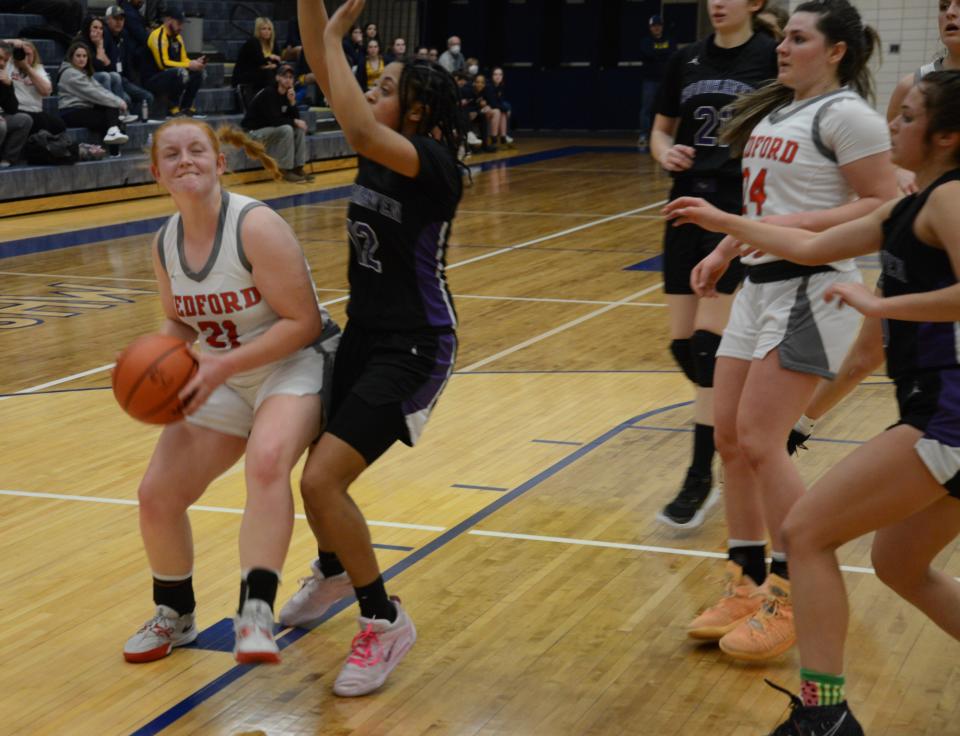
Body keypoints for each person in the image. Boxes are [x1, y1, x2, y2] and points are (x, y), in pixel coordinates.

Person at [668, 67, 960, 736]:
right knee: (900, 566)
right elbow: (809, 243)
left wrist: (882, 303)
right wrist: (725, 227)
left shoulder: (951, 199)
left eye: (908, 116)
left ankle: (825, 719)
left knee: (804, 532)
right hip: (936, 415)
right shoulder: (908, 208)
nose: (893, 125)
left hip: (947, 419)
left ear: (946, 136)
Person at [667, 0, 900, 663]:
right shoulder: (775, 111)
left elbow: (884, 204)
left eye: (799, 38)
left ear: (835, 52)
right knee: (733, 441)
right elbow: (766, 203)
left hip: (813, 289)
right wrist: (725, 249)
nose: (783, 46)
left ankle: (793, 590)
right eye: (786, 36)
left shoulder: (847, 116)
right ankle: (744, 580)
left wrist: (786, 231)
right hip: (760, 287)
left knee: (767, 442)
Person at [287, 0, 466, 697]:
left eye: (387, 88)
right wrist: (316, 15)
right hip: (364, 333)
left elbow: (355, 119)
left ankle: (385, 619)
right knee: (316, 466)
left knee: (321, 480)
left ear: (416, 113)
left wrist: (336, 38)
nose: (370, 95)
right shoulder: (379, 137)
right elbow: (319, 67)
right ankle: (334, 568)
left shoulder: (434, 164)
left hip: (417, 345)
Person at [121, 116, 340, 665]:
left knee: (267, 462)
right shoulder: (165, 240)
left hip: (295, 364)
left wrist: (218, 367)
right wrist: (152, 361)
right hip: (225, 371)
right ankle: (175, 613)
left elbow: (303, 321)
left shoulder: (254, 226)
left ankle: (255, 613)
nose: (185, 160)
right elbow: (180, 322)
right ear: (156, 173)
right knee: (157, 494)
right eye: (172, 154)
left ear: (220, 163)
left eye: (198, 150)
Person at [786, 0, 960, 455]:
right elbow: (889, 152)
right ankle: (799, 427)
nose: (950, 14)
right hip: (920, 236)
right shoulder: (916, 83)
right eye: (944, 6)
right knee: (869, 349)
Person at [650, 0, 779, 532]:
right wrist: (663, 152)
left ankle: (700, 476)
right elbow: (661, 129)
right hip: (684, 207)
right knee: (685, 345)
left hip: (733, 210)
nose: (717, 2)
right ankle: (740, 405)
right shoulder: (685, 58)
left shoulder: (772, 57)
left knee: (707, 345)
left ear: (756, 3)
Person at [241, 62, 313, 183]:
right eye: (285, 76)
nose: (288, 80)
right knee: (287, 129)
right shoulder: (269, 93)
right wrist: (295, 121)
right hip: (252, 134)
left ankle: (298, 168)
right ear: (277, 77)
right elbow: (274, 120)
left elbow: (294, 119)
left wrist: (292, 103)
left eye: (290, 77)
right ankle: (285, 170)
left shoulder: (288, 94)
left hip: (269, 131)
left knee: (298, 129)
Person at [57, 41, 130, 152]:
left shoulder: (83, 72)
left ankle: (113, 135)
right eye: (78, 56)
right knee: (111, 118)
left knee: (111, 112)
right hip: (71, 112)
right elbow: (93, 93)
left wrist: (116, 101)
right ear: (71, 57)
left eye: (84, 56)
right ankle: (114, 149)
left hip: (84, 109)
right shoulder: (70, 73)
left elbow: (100, 89)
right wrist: (118, 102)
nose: (82, 59)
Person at [144, 9, 206, 117]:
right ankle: (172, 107)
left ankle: (186, 107)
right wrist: (189, 65)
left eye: (182, 24)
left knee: (199, 73)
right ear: (168, 20)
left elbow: (184, 59)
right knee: (180, 72)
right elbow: (163, 64)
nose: (181, 28)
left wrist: (194, 63)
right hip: (153, 78)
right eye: (179, 23)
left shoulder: (178, 38)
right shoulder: (157, 36)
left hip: (171, 74)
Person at [103, 5, 154, 120]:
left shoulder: (124, 36)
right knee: (126, 99)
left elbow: (127, 63)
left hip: (123, 79)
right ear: (107, 20)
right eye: (115, 18)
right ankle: (127, 122)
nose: (119, 22)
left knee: (148, 97)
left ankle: (137, 122)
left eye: (121, 19)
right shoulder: (104, 35)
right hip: (109, 80)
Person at [5, 39, 65, 135]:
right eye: (23, 53)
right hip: (17, 109)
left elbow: (46, 91)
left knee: (59, 125)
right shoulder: (8, 64)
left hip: (36, 110)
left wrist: (27, 68)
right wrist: (13, 41)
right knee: (41, 123)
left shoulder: (38, 69)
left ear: (34, 56)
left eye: (29, 54)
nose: (25, 57)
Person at [637, 15, 674, 152]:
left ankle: (666, 136)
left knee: (666, 109)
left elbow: (671, 55)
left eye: (659, 25)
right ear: (650, 27)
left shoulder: (669, 40)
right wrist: (661, 55)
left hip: (666, 80)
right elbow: (648, 54)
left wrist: (657, 55)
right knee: (646, 109)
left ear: (662, 27)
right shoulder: (645, 41)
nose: (657, 28)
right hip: (650, 81)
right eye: (654, 26)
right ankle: (644, 135)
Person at [234, 17, 282, 109]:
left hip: (262, 73)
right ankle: (270, 103)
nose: (267, 31)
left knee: (284, 73)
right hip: (245, 74)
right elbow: (258, 62)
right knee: (269, 74)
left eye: (269, 29)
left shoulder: (272, 43)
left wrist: (269, 64)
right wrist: (270, 58)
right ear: (258, 30)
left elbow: (278, 62)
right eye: (263, 29)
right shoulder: (253, 42)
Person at [0, 40, 30, 167]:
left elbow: (12, 109)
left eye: (6, 61)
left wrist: (8, 86)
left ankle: (7, 159)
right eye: (0, 58)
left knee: (24, 120)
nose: (2, 63)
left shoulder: (3, 76)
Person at [490, 66, 513, 147]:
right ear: (492, 76)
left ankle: (503, 137)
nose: (498, 77)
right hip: (485, 109)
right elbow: (493, 104)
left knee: (502, 111)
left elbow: (500, 102)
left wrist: (506, 109)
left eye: (500, 74)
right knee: (498, 111)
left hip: (492, 108)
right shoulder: (489, 86)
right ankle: (494, 139)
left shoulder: (500, 86)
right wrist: (507, 109)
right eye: (495, 74)